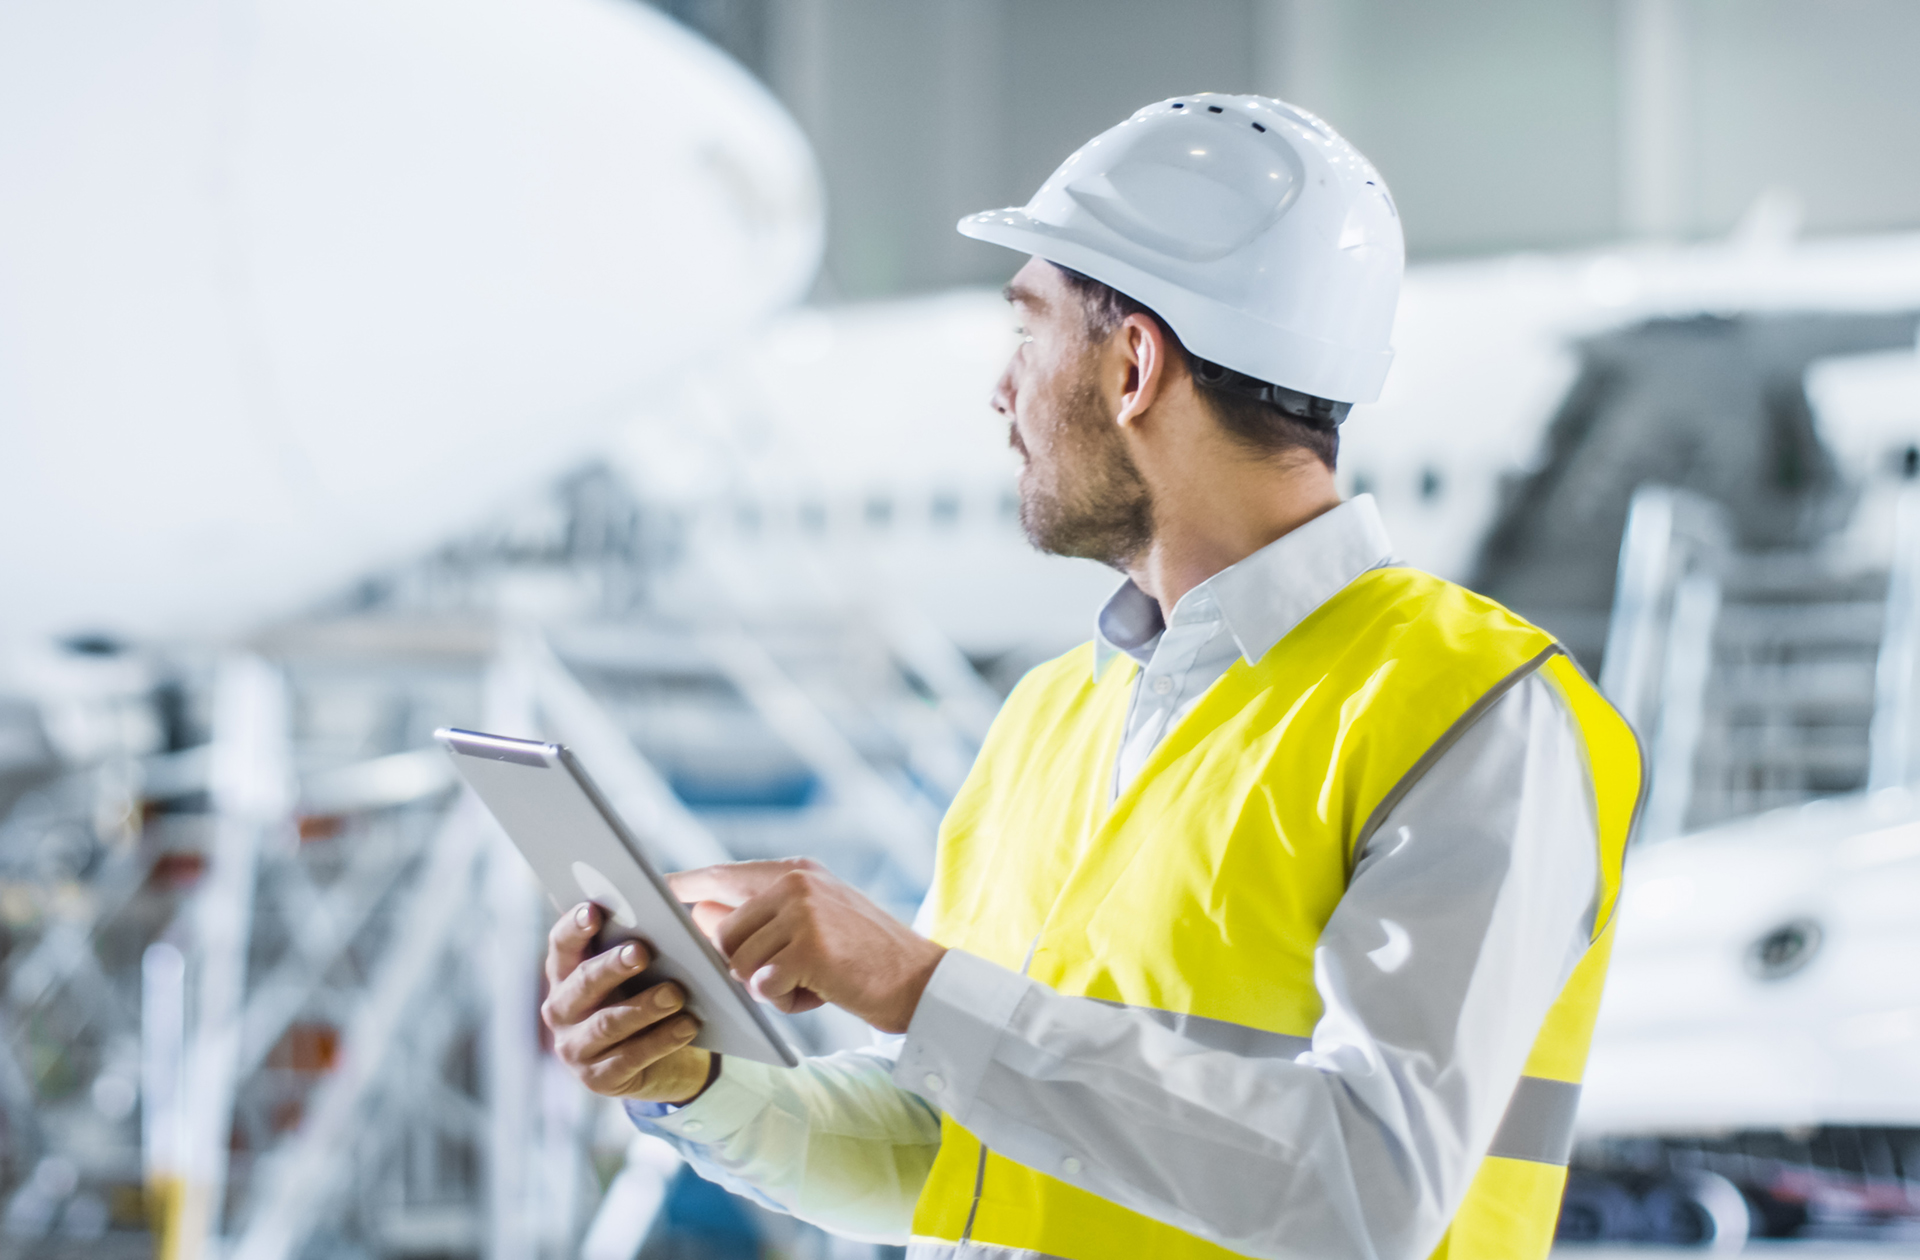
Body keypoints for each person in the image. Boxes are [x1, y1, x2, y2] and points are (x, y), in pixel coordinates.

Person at [540, 94, 1641, 1260]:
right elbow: (954, 1148)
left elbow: (1373, 1189)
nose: (1002, 393)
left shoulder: (1474, 716)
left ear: (1131, 365)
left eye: (1028, 329)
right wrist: (699, 1082)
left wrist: (916, 986)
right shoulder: (1053, 716)